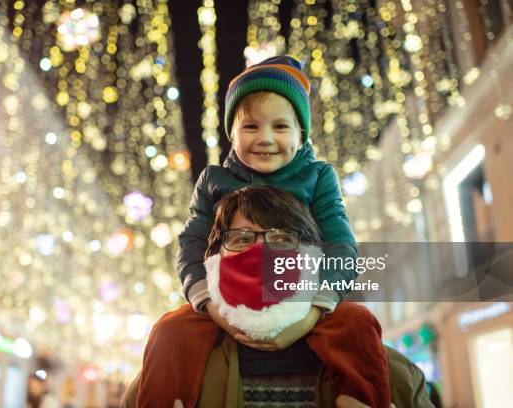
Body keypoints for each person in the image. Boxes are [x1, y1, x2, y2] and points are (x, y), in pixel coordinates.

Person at [134, 186, 398, 408]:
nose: (261, 251)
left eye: (281, 238)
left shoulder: (378, 359)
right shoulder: (171, 344)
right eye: (241, 239)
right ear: (216, 256)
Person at [177, 54, 357, 319]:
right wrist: (204, 296)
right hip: (228, 298)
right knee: (171, 331)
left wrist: (321, 300)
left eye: (281, 126)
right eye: (250, 126)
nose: (265, 138)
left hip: (304, 297)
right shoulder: (213, 181)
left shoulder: (317, 177)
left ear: (301, 134)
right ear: (232, 134)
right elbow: (192, 242)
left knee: (358, 324)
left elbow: (340, 243)